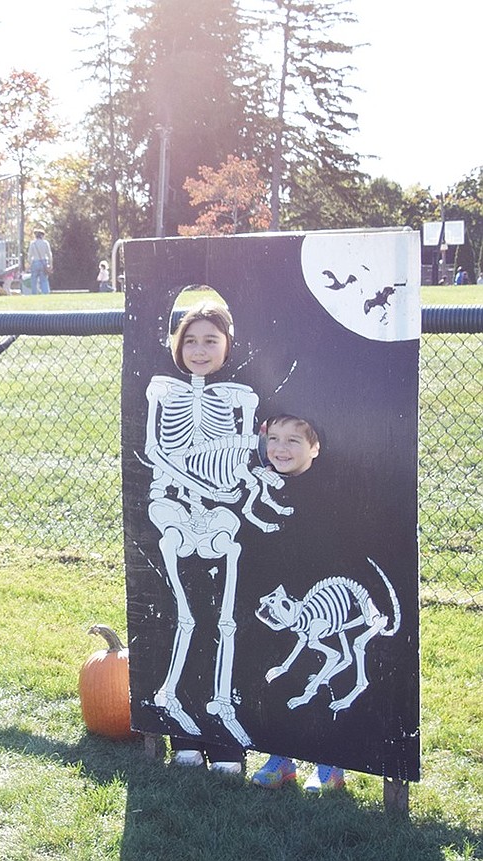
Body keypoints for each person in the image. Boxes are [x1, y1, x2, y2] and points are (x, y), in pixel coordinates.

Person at [146, 300, 267, 775]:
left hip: (220, 507)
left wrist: (224, 489)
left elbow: (239, 456)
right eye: (190, 340)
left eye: (210, 340)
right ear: (177, 345)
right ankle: (182, 728)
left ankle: (224, 726)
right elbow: (156, 447)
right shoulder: (161, 389)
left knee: (224, 609)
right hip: (172, 500)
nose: (199, 349)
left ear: (228, 346)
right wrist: (199, 484)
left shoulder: (240, 396)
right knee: (182, 610)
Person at [248, 414, 346, 793]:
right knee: (274, 671)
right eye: (274, 439)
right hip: (277, 599)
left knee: (320, 670)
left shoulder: (331, 491)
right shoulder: (264, 482)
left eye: (294, 441)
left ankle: (330, 763)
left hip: (316, 600)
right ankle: (280, 757)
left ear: (316, 447)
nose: (280, 449)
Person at [26, 227, 52, 294]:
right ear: (42, 235)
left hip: (35, 261)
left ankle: (34, 293)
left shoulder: (33, 243)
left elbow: (29, 255)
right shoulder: (45, 243)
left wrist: (29, 263)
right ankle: (45, 293)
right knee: (44, 280)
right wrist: (50, 264)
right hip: (43, 261)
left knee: (34, 280)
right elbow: (49, 254)